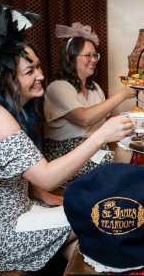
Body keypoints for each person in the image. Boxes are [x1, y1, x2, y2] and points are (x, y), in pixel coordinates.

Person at [0, 3, 134, 276]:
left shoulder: (5, 112)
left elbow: (26, 178)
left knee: (93, 230)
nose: (41, 75)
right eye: (29, 71)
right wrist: (100, 137)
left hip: (18, 216)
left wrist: (49, 199)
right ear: (4, 80)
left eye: (38, 67)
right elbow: (46, 176)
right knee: (100, 217)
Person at [43, 22, 135, 178]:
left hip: (96, 147)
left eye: (95, 55)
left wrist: (137, 121)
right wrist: (123, 94)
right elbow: (84, 118)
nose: (94, 60)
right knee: (114, 170)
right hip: (67, 151)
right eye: (88, 55)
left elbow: (104, 121)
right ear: (70, 58)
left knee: (132, 150)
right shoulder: (58, 87)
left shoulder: (95, 88)